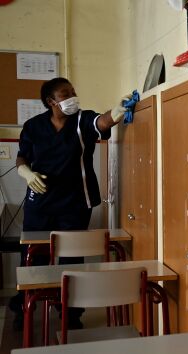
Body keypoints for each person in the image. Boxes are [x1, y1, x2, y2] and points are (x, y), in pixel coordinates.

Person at [9, 77, 130, 330]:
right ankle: (25, 307)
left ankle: (70, 313)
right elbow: (21, 157)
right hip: (40, 203)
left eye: (73, 91)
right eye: (65, 94)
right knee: (33, 259)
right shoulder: (33, 126)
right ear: (51, 101)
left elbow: (102, 122)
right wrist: (26, 174)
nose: (72, 97)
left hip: (75, 202)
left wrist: (117, 111)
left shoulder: (81, 120)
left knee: (71, 260)